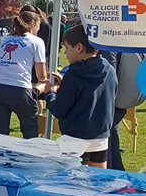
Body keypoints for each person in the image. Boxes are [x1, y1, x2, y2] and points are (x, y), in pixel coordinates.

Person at [41, 25, 117, 168]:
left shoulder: (73, 75)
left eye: (67, 47)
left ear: (79, 47)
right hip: (101, 136)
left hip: (75, 138)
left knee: (74, 185)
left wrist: (50, 92)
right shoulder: (109, 71)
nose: (65, 52)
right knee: (98, 182)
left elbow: (58, 110)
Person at [0, 11, 47, 138]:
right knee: (30, 132)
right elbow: (42, 76)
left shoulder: (5, 39)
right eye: (39, 25)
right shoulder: (36, 41)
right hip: (20, 89)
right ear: (33, 23)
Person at [99, 51, 145, 171]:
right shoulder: (123, 41)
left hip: (112, 102)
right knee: (112, 140)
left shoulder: (108, 43)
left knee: (107, 142)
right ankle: (117, 174)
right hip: (122, 99)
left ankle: (110, 174)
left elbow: (109, 75)